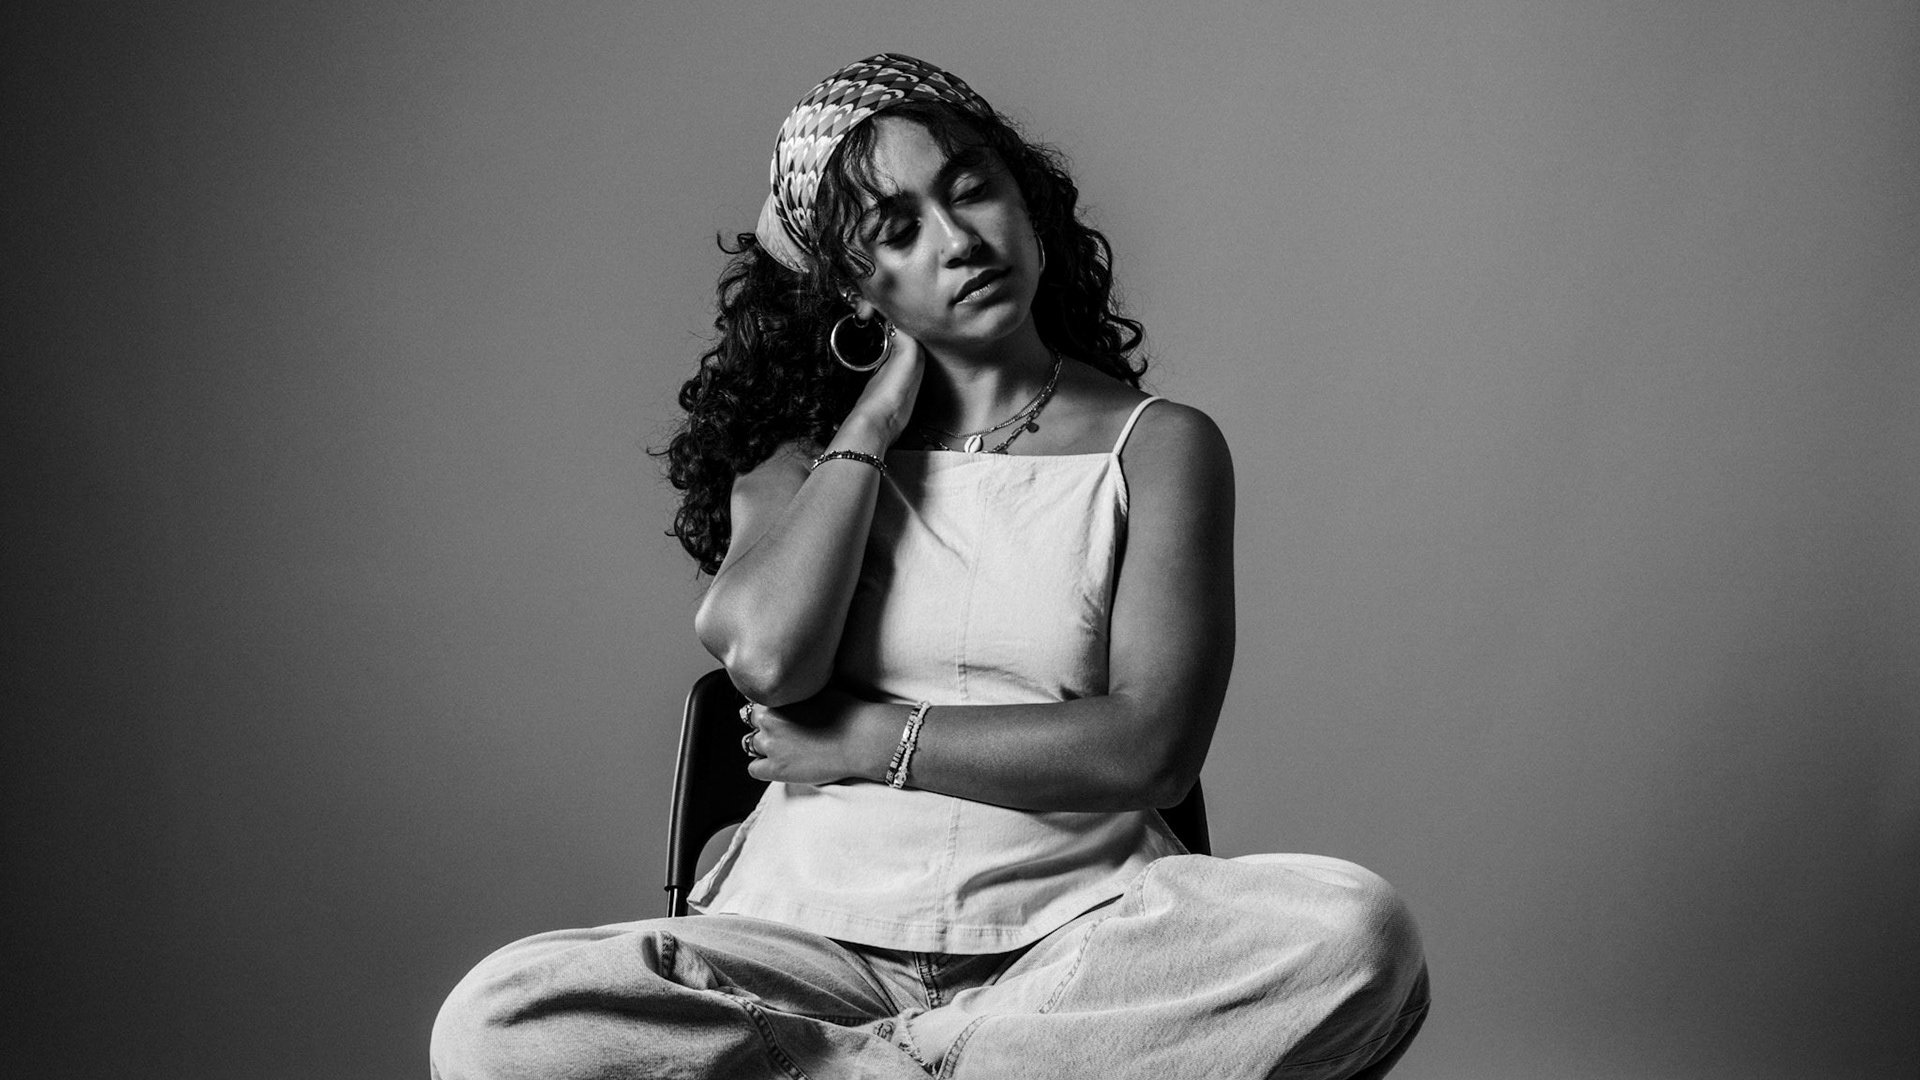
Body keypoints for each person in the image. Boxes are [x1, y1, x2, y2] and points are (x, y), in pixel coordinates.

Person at [432, 54, 1429, 1080]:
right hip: (803, 951)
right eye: (898, 231)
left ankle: (883, 1064)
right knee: (498, 1019)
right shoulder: (797, 464)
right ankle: (943, 1064)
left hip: (1077, 948)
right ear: (854, 288)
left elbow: (1151, 750)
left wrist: (867, 739)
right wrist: (871, 419)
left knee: (1356, 937)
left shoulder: (1159, 446)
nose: (959, 241)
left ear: (1024, 199)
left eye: (971, 190)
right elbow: (767, 661)